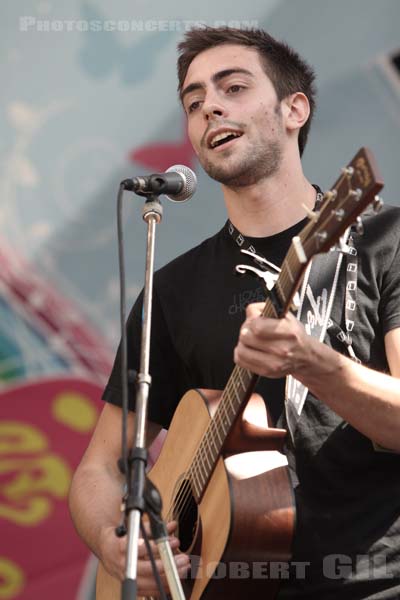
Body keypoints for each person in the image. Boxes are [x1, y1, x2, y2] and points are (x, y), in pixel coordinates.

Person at [69, 26, 400, 598]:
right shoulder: (170, 292)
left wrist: (315, 365)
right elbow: (100, 468)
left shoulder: (383, 241)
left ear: (294, 108)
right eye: (194, 103)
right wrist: (112, 540)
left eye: (234, 87)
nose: (209, 107)